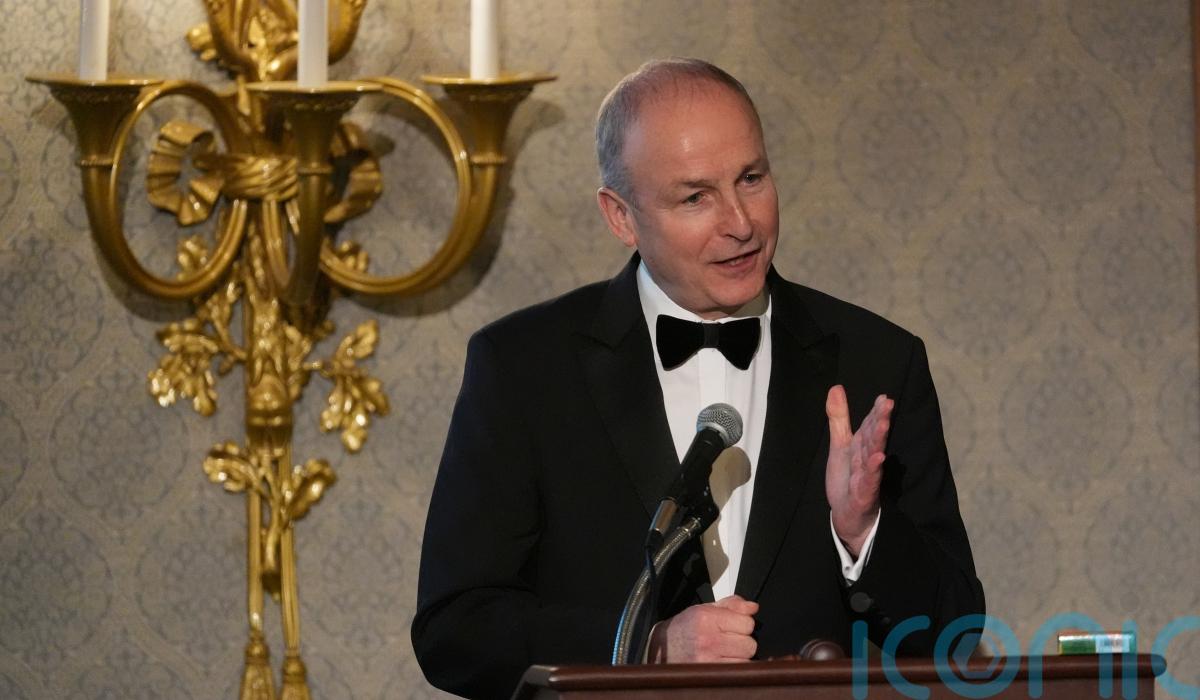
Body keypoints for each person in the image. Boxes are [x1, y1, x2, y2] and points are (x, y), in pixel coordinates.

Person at [411, 58, 984, 699]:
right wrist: (647, 646)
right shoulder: (524, 367)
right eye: (695, 197)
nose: (741, 223)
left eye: (751, 178)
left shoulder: (877, 361)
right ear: (621, 217)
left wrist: (864, 532)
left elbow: (955, 633)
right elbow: (455, 629)